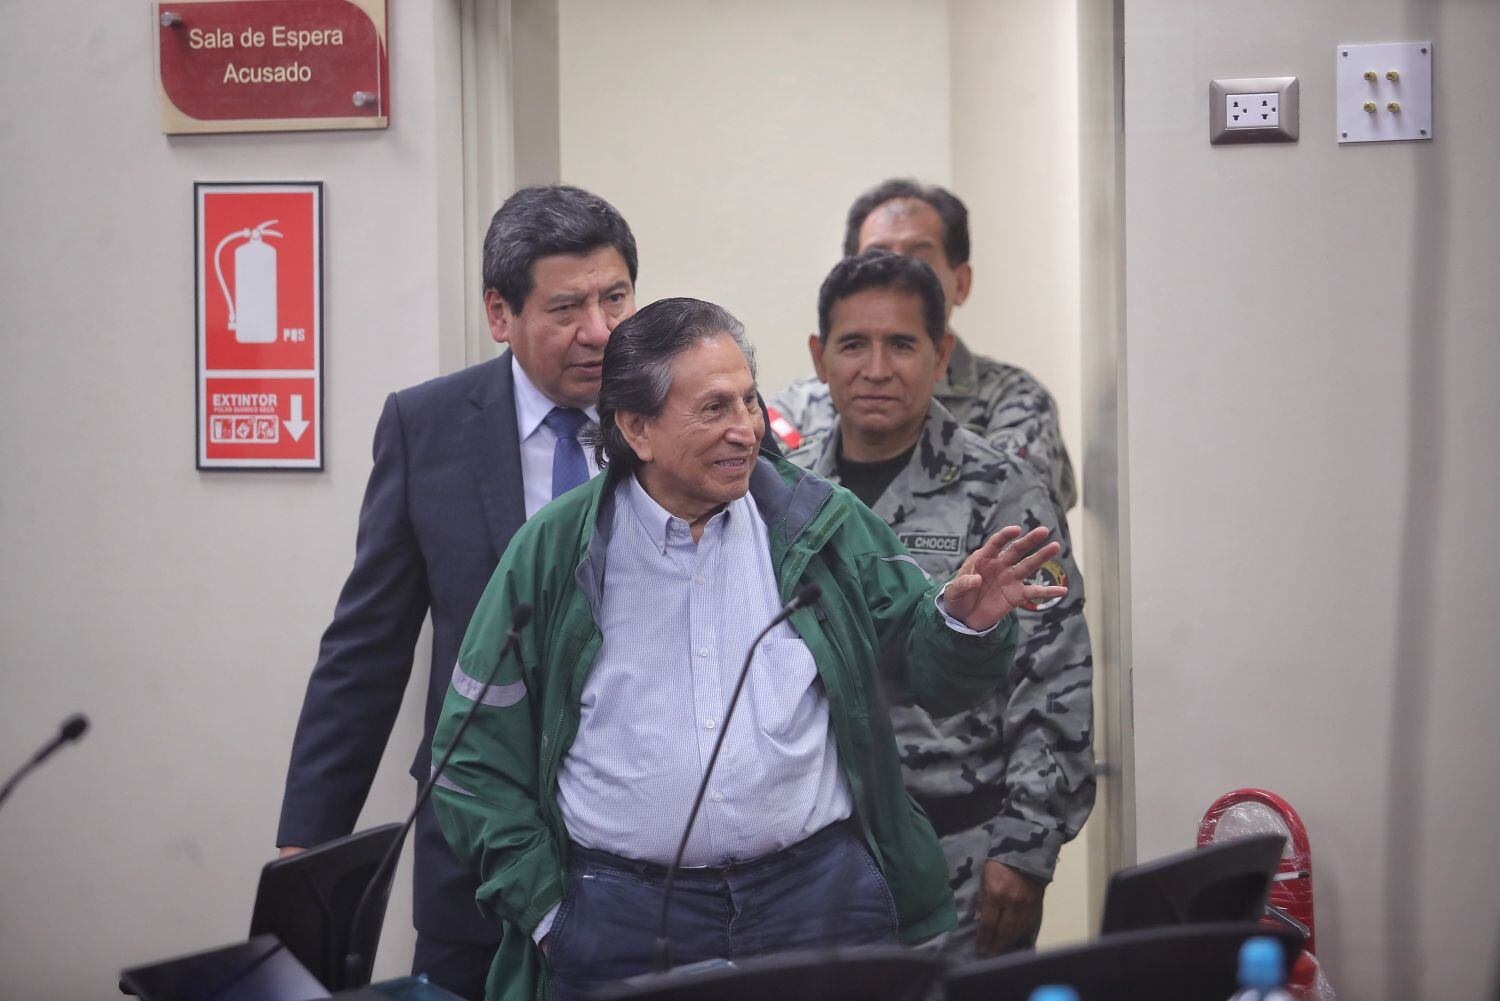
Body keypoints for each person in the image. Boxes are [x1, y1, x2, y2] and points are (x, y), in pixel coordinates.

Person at [429, 297, 1070, 1001]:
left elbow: (933, 675)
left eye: (749, 401)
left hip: (817, 899)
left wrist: (963, 621)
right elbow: (469, 758)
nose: (746, 430)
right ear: (636, 427)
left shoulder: (817, 521)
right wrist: (551, 913)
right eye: (713, 409)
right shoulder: (554, 552)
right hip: (621, 916)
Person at [275, 185, 640, 999]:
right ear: (499, 312)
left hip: (641, 849)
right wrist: (309, 844)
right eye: (567, 307)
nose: (601, 332)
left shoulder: (675, 416)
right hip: (473, 846)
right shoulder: (428, 426)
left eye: (615, 297)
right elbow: (366, 650)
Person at [785, 251, 1095, 959]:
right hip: (811, 863)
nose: (876, 367)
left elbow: (1054, 677)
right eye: (853, 344)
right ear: (819, 356)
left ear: (940, 353)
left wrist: (1025, 848)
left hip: (963, 851)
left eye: (901, 344)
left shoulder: (1001, 490)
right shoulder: (787, 495)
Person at [770, 178, 1077, 512]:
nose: (898, 274)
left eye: (920, 260)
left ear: (961, 283)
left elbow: (1017, 517)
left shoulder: (1016, 401)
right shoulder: (797, 410)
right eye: (878, 258)